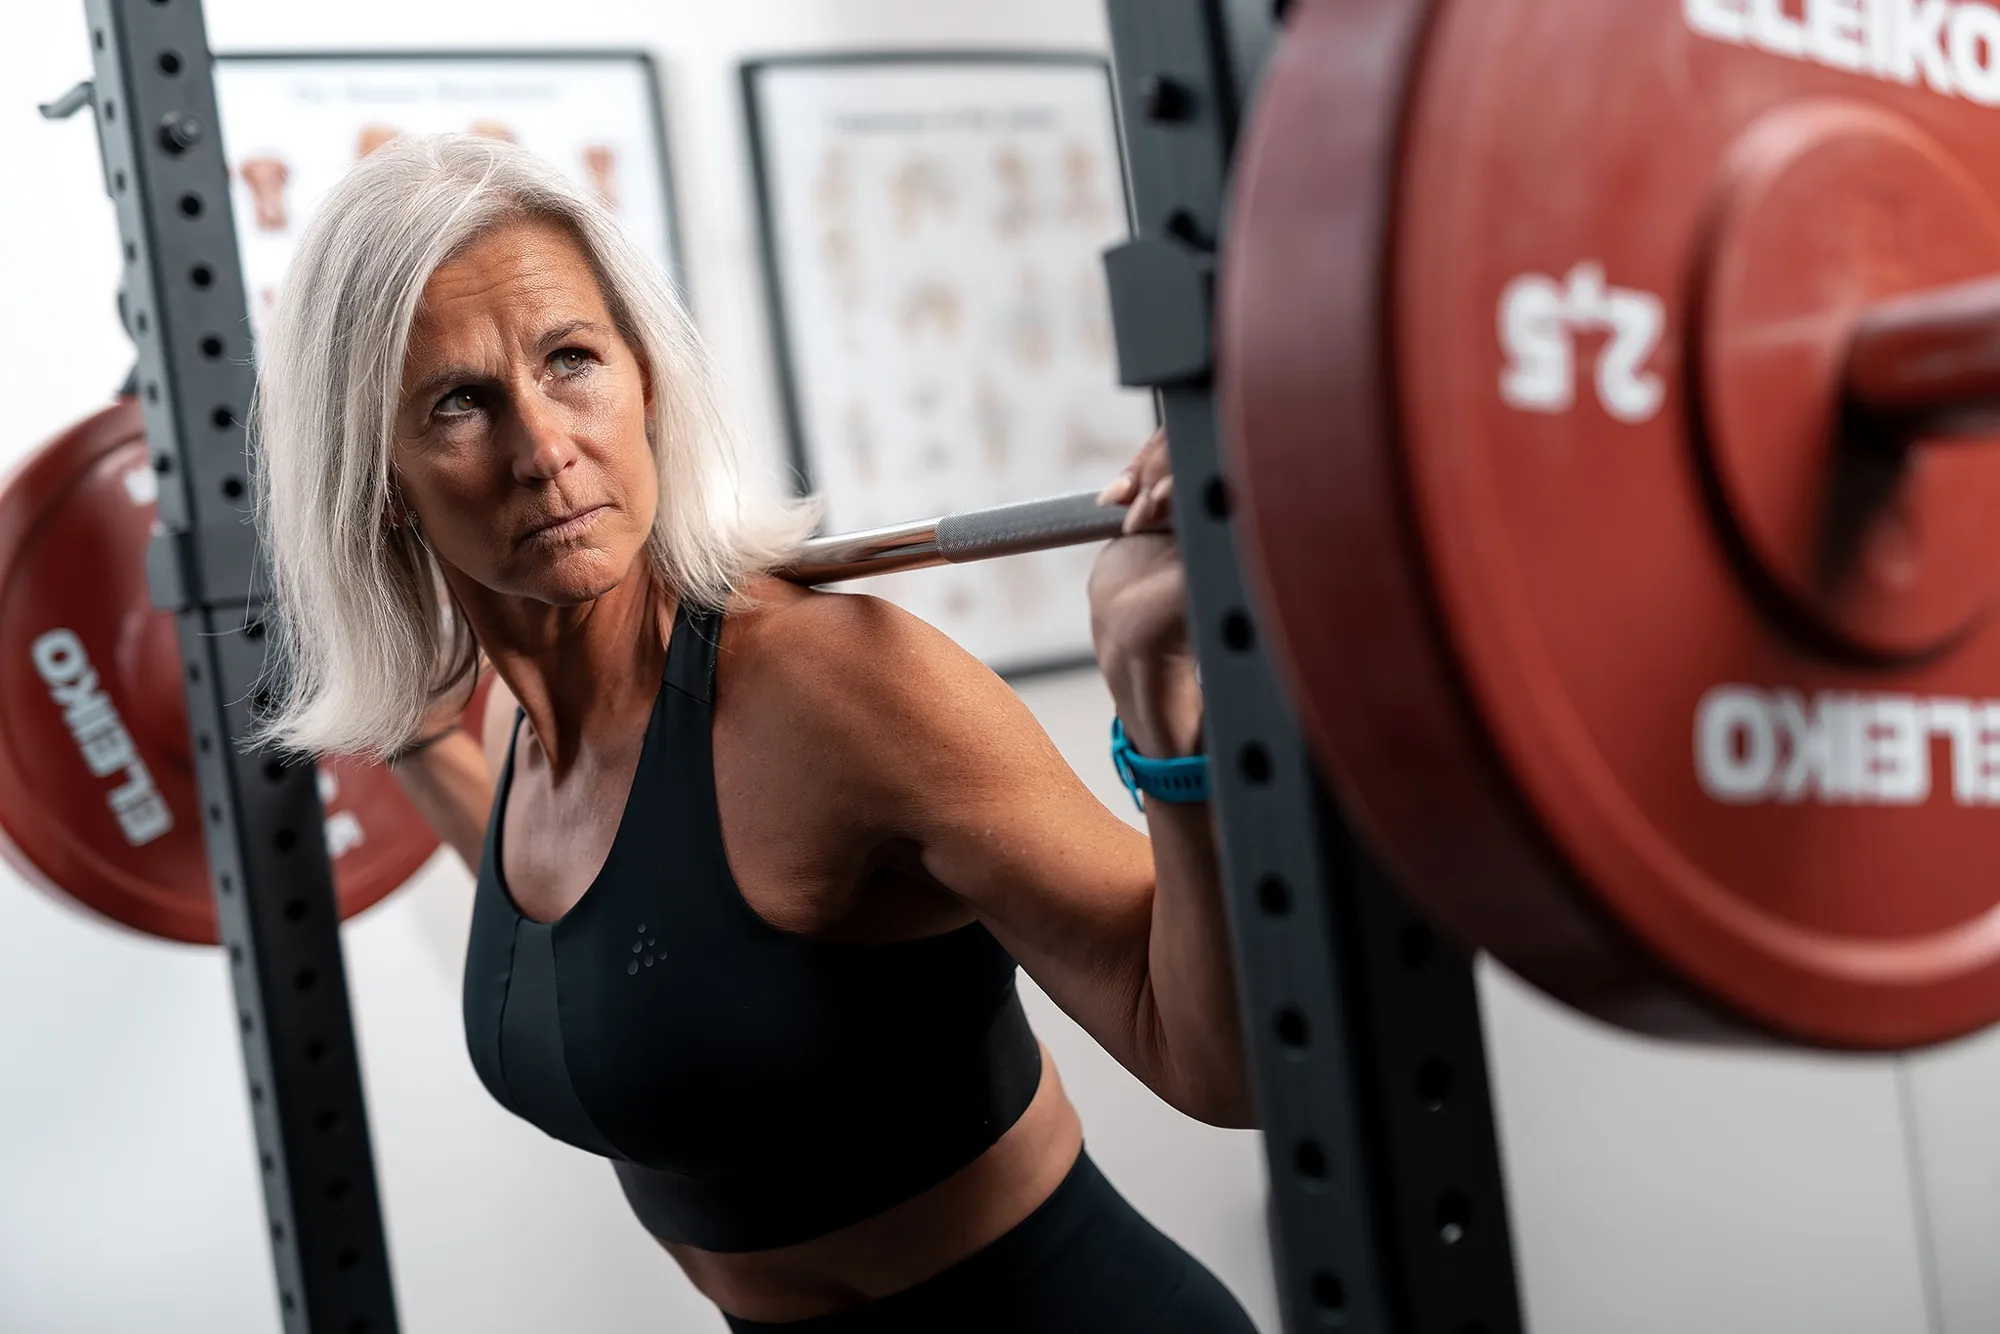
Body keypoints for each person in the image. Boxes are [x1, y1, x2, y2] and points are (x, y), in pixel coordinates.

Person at [248, 133, 1259, 1334]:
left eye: (571, 359)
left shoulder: (839, 687)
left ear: (646, 380)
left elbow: (1222, 1062)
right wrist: (410, 725)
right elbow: (617, 945)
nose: (544, 448)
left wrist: (1163, 703)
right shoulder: (518, 723)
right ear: (376, 480)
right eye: (459, 401)